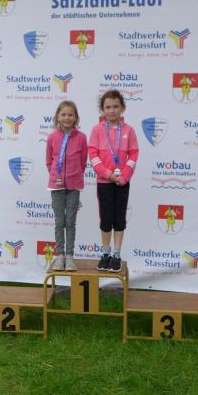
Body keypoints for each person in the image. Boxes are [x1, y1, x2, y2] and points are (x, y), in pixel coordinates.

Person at [88, 90, 139, 272]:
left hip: (122, 182)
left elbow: (134, 154)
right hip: (104, 182)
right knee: (106, 219)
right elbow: (93, 154)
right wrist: (108, 174)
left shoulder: (129, 130)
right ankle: (105, 254)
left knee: (119, 219)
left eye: (115, 106)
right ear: (102, 109)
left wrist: (124, 176)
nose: (112, 110)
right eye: (108, 107)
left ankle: (116, 255)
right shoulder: (97, 130)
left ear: (122, 107)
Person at [45, 100, 87, 272]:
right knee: (59, 221)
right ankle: (60, 255)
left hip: (74, 185)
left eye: (70, 115)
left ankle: (69, 256)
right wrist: (56, 176)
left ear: (75, 117)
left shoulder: (81, 137)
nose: (67, 118)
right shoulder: (52, 137)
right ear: (57, 117)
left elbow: (83, 161)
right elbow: (49, 161)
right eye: (63, 114)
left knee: (70, 221)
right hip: (56, 186)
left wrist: (74, 175)